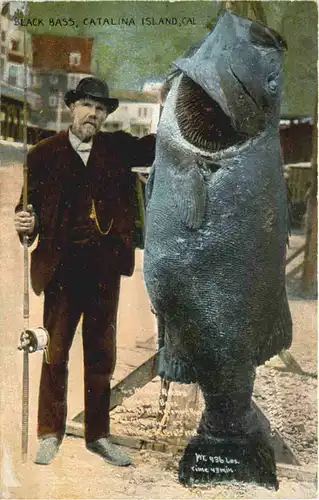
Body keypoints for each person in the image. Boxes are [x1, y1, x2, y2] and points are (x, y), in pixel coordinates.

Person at [14, 77, 155, 466]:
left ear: (106, 115)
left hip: (103, 273)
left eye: (100, 108)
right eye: (86, 106)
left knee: (100, 357)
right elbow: (27, 209)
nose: (92, 114)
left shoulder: (118, 149)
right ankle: (49, 433)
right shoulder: (42, 155)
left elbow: (158, 145)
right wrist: (25, 222)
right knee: (54, 354)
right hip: (60, 272)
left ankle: (99, 436)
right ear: (72, 108)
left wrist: (176, 97)